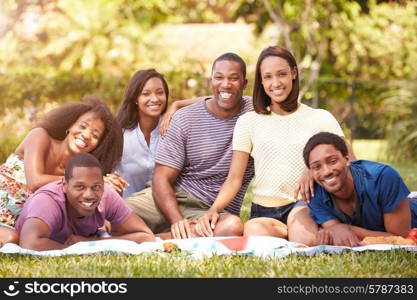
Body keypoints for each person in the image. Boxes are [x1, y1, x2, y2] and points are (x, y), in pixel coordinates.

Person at [195, 46, 354, 246]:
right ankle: (294, 232)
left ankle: (304, 231)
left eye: (282, 74)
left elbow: (352, 163)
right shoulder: (248, 121)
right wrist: (213, 210)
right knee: (252, 231)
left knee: (304, 242)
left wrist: (312, 169)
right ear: (261, 81)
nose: (276, 83)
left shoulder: (320, 117)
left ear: (294, 74)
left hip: (305, 204)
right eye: (268, 77)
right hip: (264, 211)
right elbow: (234, 179)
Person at [124, 53, 254, 239]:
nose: (226, 84)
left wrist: (178, 103)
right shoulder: (186, 119)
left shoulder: (254, 112)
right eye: (219, 77)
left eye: (234, 78)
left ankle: (153, 238)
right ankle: (176, 233)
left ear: (244, 84)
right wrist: (177, 219)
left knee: (231, 228)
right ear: (211, 82)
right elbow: (161, 178)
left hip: (213, 210)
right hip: (172, 197)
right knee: (114, 214)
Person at [0, 97, 123, 245]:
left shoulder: (80, 173)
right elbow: (35, 182)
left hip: (21, 225)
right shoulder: (40, 136)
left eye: (95, 135)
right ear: (70, 125)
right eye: (83, 126)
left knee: (14, 239)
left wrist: (107, 192)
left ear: (98, 146)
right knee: (10, 239)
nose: (86, 135)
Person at [15, 153, 155, 251]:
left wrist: (89, 243)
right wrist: (75, 249)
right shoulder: (47, 201)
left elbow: (146, 236)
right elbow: (30, 244)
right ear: (64, 185)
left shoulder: (107, 194)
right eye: (80, 187)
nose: (89, 195)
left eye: (96, 187)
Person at [303, 131, 417, 247]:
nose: (326, 171)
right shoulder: (313, 193)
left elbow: (399, 239)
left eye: (333, 161)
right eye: (316, 167)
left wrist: (345, 228)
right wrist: (335, 229)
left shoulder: (383, 177)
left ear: (347, 159)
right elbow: (335, 230)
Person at [108, 69, 200, 197]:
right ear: (135, 98)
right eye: (146, 94)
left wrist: (177, 104)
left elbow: (216, 100)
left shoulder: (174, 125)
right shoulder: (120, 132)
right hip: (126, 209)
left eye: (160, 93)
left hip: (167, 208)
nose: (155, 99)